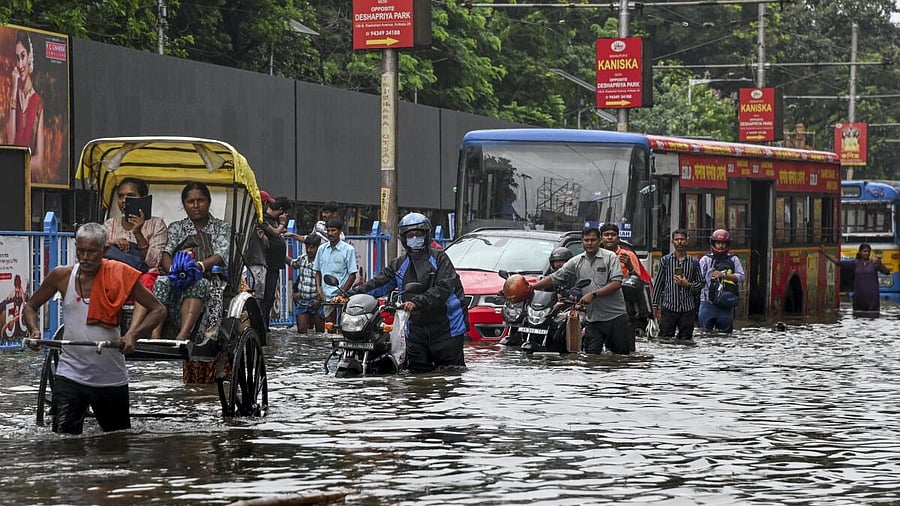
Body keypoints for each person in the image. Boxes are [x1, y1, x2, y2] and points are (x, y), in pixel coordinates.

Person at [22, 223, 166, 434]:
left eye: (92, 251)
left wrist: (133, 335)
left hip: (110, 375)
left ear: (105, 250)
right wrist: (34, 331)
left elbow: (158, 309)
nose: (85, 257)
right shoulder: (62, 276)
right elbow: (30, 307)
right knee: (63, 442)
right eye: (81, 250)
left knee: (117, 440)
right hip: (70, 373)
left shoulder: (120, 274)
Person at [348, 212, 467, 372]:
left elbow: (443, 288)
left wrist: (416, 302)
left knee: (451, 374)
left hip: (447, 328)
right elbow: (378, 284)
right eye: (410, 235)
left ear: (427, 235)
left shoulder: (440, 260)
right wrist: (350, 296)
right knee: (416, 375)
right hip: (416, 329)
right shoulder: (399, 265)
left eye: (418, 234)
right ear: (404, 238)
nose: (414, 238)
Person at [136, 182, 231, 341]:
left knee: (197, 283)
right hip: (177, 275)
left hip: (208, 276)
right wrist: (173, 269)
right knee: (162, 281)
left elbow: (221, 255)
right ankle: (155, 335)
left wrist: (199, 266)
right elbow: (166, 252)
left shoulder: (222, 227)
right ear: (184, 204)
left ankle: (182, 336)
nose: (196, 205)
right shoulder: (176, 227)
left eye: (200, 200)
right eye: (190, 202)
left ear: (208, 201)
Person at [533, 226, 632, 354]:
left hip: (615, 317)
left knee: (620, 359)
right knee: (590, 359)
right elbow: (554, 278)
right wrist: (530, 287)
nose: (589, 243)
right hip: (592, 319)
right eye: (586, 240)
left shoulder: (610, 257)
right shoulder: (577, 261)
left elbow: (616, 283)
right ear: (582, 242)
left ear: (599, 241)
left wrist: (594, 295)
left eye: (593, 240)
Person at [103, 177, 167, 290]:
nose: (123, 200)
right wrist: (112, 243)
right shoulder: (110, 224)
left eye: (130, 196)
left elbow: (153, 263)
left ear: (143, 199)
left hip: (144, 277)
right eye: (120, 196)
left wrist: (138, 233)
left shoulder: (157, 224)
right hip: (113, 276)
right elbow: (98, 253)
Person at [3, 30, 45, 175]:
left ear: (29, 58)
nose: (20, 64)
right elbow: (10, 143)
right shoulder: (13, 96)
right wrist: (14, 88)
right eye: (17, 58)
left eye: (23, 57)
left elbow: (39, 162)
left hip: (26, 178)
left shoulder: (38, 103)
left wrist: (14, 165)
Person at [600, 222, 653, 336]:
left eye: (613, 234)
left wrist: (629, 265)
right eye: (606, 234)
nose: (609, 237)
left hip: (624, 303)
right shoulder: (596, 256)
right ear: (601, 238)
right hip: (601, 301)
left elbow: (638, 280)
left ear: (618, 238)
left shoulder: (628, 255)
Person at [651, 229, 705, 340]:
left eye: (682, 239)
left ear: (686, 242)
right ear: (672, 242)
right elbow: (658, 284)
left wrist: (687, 284)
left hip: (687, 309)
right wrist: (655, 305)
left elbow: (701, 283)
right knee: (665, 339)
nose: (679, 242)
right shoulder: (665, 261)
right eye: (677, 239)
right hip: (669, 307)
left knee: (686, 340)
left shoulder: (694, 262)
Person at [821, 242, 891, 313]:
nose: (867, 253)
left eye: (868, 251)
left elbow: (887, 272)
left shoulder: (874, 263)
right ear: (860, 252)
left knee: (872, 316)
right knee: (858, 316)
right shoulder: (856, 263)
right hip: (859, 297)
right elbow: (838, 263)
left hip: (872, 298)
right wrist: (826, 254)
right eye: (865, 251)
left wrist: (880, 264)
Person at [698, 229, 745, 333]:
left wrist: (724, 275)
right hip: (707, 303)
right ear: (713, 243)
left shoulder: (733, 259)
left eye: (723, 243)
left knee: (726, 335)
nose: (720, 246)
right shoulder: (705, 260)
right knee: (704, 333)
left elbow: (741, 277)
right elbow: (698, 279)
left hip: (726, 305)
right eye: (718, 243)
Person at [314, 218, 357, 328]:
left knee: (343, 328)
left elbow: (352, 275)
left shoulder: (348, 250)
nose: (330, 233)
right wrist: (318, 289)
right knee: (329, 329)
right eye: (328, 231)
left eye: (333, 230)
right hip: (326, 297)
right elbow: (317, 271)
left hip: (341, 297)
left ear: (340, 231)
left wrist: (341, 294)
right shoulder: (321, 249)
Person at [259, 193, 288, 329]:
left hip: (274, 265)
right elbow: (275, 233)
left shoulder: (271, 219)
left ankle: (265, 325)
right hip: (267, 264)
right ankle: (263, 326)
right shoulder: (263, 218)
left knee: (269, 297)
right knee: (265, 297)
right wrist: (282, 224)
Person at [289, 233, 325, 333]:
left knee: (320, 332)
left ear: (318, 247)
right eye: (307, 247)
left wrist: (321, 300)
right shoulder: (302, 259)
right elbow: (292, 263)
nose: (309, 250)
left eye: (312, 247)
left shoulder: (323, 261)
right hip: (302, 300)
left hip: (317, 301)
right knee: (301, 330)